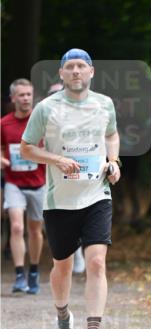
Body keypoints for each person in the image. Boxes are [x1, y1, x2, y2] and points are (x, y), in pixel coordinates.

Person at [20, 49, 121, 329]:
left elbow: (112, 134)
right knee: (62, 266)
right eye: (70, 67)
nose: (76, 71)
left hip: (96, 194)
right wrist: (57, 159)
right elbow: (26, 149)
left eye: (81, 66)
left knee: (96, 262)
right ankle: (63, 319)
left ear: (91, 71)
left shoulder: (105, 104)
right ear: (61, 74)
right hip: (59, 200)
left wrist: (113, 161)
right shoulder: (46, 109)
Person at [1, 78, 45, 294]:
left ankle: (34, 271)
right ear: (13, 98)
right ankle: (20, 275)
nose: (26, 98)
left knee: (35, 230)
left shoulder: (41, 123)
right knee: (17, 226)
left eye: (29, 94)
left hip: (39, 183)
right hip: (14, 183)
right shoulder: (4, 124)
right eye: (21, 95)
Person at [46, 81, 85, 275]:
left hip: (77, 173)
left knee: (76, 211)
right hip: (52, 175)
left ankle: (78, 255)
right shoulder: (44, 117)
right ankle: (67, 255)